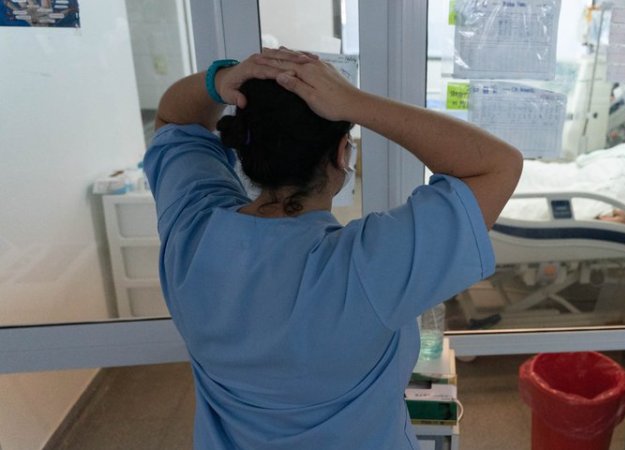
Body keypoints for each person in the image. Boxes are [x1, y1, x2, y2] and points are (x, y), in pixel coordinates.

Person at [144, 48, 522, 449]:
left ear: (244, 150)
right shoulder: (368, 268)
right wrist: (354, 103)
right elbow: (498, 164)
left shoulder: (192, 232)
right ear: (343, 154)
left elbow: (174, 120)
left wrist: (220, 80)